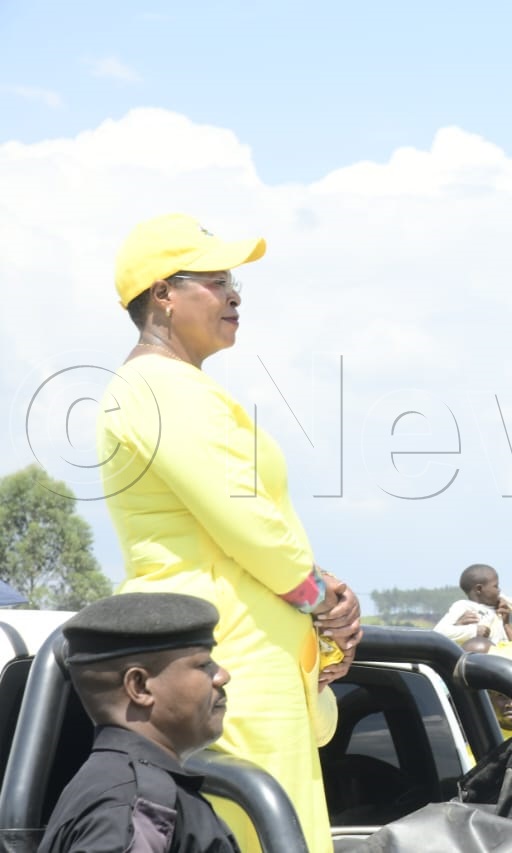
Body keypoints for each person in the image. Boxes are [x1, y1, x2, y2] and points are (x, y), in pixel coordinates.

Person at [97, 214, 363, 853]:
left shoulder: (175, 386)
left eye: (233, 279)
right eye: (215, 280)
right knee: (263, 829)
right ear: (163, 294)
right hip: (224, 656)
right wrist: (321, 599)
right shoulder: (160, 386)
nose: (235, 293)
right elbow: (246, 520)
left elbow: (246, 525)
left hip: (234, 647)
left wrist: (320, 602)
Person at [39, 593, 238, 852]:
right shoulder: (141, 807)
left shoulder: (111, 786)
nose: (222, 676)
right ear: (140, 686)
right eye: (204, 664)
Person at [433, 563, 512, 644]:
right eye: (496, 586)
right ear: (479, 589)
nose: (499, 590)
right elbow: (439, 632)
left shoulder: (498, 601)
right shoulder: (463, 606)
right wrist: (474, 631)